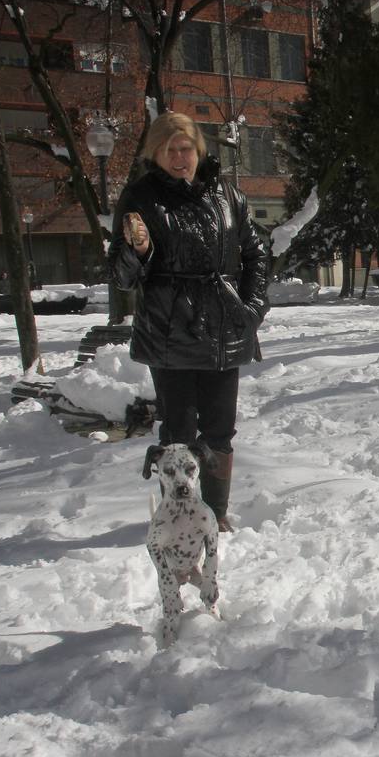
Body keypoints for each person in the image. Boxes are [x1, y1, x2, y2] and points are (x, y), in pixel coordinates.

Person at [108, 112, 269, 532]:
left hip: (225, 327)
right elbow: (122, 276)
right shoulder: (140, 198)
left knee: (220, 429)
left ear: (199, 150)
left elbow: (255, 255)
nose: (180, 158)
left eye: (187, 149)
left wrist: (251, 310)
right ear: (156, 154)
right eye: (170, 150)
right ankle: (177, 519)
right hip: (170, 332)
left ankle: (214, 515)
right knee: (178, 431)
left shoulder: (228, 195)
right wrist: (138, 250)